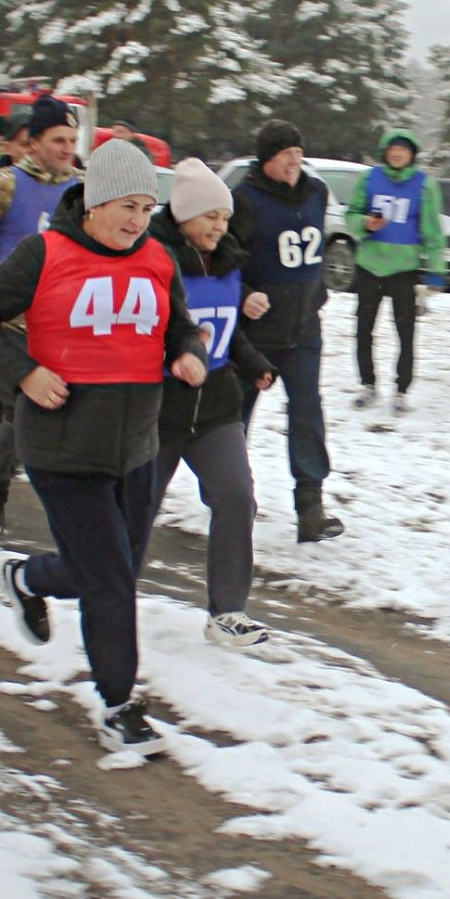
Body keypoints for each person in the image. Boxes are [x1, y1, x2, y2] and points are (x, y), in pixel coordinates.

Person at [0, 143, 211, 755]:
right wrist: (22, 373)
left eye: (148, 208)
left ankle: (24, 577)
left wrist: (188, 353)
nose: (137, 221)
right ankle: (120, 704)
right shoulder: (45, 253)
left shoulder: (157, 258)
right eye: (127, 206)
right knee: (112, 582)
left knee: (110, 570)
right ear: (95, 202)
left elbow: (178, 324)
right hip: (64, 446)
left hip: (137, 447)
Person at [148, 159, 279, 646]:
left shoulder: (229, 260)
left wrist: (254, 362)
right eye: (209, 218)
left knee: (237, 497)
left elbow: (226, 331)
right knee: (137, 511)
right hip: (159, 407)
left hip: (217, 405)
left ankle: (227, 613)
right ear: (184, 215)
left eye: (223, 219)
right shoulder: (156, 260)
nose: (218, 228)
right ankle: (100, 590)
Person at [0, 96, 82, 537]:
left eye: (72, 139)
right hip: (4, 320)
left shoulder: (84, 190)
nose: (67, 147)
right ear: (33, 143)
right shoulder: (1, 185)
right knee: (24, 405)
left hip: (53, 323)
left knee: (26, 414)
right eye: (58, 140)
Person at [230, 119, 342, 543]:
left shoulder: (316, 191)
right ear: (267, 159)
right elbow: (225, 258)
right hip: (256, 333)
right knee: (235, 417)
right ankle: (233, 495)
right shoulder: (246, 200)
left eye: (297, 153)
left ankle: (310, 506)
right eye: (284, 155)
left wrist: (318, 293)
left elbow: (315, 249)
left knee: (308, 413)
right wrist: (243, 294)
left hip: (303, 328)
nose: (294, 162)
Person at [344, 128, 446, 413]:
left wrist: (435, 269)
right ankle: (367, 384)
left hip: (404, 269)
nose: (397, 153)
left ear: (411, 154)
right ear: (385, 152)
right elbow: (351, 214)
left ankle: (402, 389)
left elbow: (432, 229)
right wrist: (365, 223)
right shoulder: (369, 178)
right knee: (364, 329)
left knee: (405, 332)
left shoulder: (423, 185)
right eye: (393, 148)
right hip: (369, 266)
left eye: (403, 149)